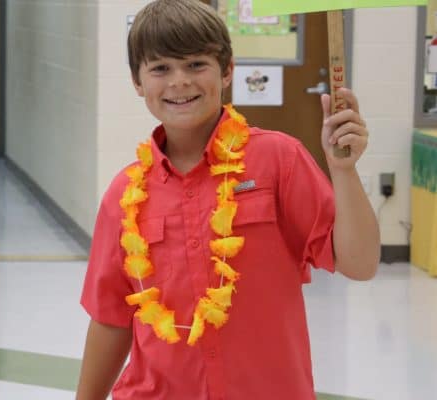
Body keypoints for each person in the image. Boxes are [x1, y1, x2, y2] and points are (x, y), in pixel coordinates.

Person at [76, 0, 380, 399]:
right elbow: (111, 317)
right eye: (160, 68)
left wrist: (344, 171)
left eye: (196, 64)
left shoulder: (278, 160)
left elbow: (360, 264)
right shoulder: (125, 194)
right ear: (137, 82)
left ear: (227, 71)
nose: (180, 81)